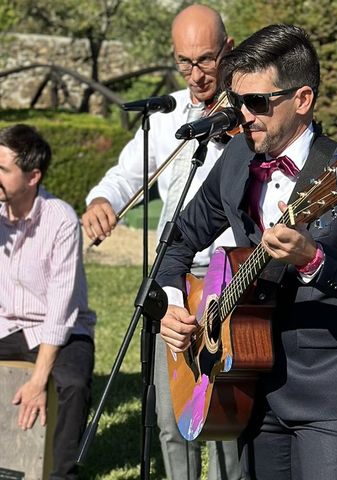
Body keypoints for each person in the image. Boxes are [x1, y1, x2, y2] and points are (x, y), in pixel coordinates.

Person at [157, 24, 337, 479]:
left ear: (302, 100)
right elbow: (179, 238)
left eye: (257, 102)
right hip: (246, 380)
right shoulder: (234, 162)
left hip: (330, 390)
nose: (243, 115)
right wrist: (171, 302)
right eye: (236, 101)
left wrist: (313, 259)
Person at [81, 5, 242, 480]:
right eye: (184, 63)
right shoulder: (170, 113)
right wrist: (101, 201)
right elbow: (124, 175)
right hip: (170, 278)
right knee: (170, 419)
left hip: (226, 275)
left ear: (229, 50)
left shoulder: (249, 117)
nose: (196, 76)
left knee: (221, 417)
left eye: (207, 61)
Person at [0, 124, 95, 480]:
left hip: (60, 328)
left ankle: (60, 474)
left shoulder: (61, 221)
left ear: (32, 176)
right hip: (8, 323)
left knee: (71, 383)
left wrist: (39, 380)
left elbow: (60, 309)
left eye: (3, 169)